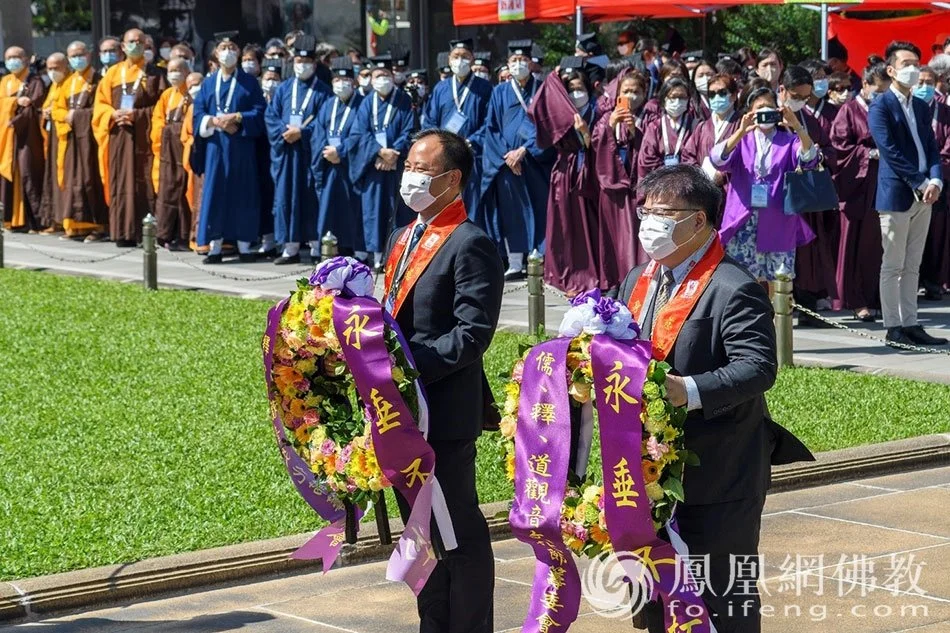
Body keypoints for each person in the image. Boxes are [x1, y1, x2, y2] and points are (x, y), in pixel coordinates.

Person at [618, 164, 813, 633]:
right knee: (659, 594)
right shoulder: (640, 279)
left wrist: (688, 390)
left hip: (718, 470)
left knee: (721, 597)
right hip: (649, 468)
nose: (649, 222)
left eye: (662, 213)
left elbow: (757, 367)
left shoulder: (732, 286)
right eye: (645, 210)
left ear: (698, 221)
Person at [382, 129, 503, 633]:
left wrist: (406, 367)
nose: (409, 177)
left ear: (452, 180)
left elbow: (471, 334)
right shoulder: (403, 235)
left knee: (459, 534)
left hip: (444, 413)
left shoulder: (470, 243)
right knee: (421, 533)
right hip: (399, 412)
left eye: (422, 170)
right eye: (407, 165)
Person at [868, 41, 948, 346]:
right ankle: (894, 326)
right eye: (906, 64)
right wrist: (919, 181)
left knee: (913, 263)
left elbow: (930, 146)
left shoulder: (920, 105)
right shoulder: (881, 105)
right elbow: (889, 151)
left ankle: (911, 322)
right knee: (894, 263)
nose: (913, 69)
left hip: (925, 194)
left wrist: (935, 180)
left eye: (917, 62)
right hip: (897, 195)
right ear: (891, 70)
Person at [711, 85, 818, 286]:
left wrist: (796, 126)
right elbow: (717, 159)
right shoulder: (742, 140)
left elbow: (809, 158)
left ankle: (778, 317)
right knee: (743, 280)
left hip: (778, 218)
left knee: (780, 280)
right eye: (759, 107)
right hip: (743, 218)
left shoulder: (788, 140)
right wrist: (741, 131)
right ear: (750, 111)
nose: (765, 111)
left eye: (769, 106)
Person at [480, 39, 554, 280]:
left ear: (531, 63)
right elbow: (491, 129)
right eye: (514, 61)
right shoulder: (499, 91)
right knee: (511, 211)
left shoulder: (542, 89)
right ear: (508, 64)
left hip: (534, 161)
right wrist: (508, 156)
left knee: (539, 207)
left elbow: (548, 124)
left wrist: (525, 150)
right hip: (507, 164)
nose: (518, 64)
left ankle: (538, 256)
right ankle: (514, 261)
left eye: (523, 60)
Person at [192, 32, 267, 264]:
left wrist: (238, 118)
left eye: (233, 47)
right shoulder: (208, 83)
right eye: (224, 47)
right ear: (216, 53)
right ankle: (214, 247)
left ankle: (244, 246)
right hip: (216, 145)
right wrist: (214, 121)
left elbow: (259, 111)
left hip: (241, 146)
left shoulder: (249, 82)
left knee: (243, 193)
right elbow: (199, 113)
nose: (228, 52)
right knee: (216, 194)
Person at [532, 56, 600, 294]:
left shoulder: (597, 111)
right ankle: (566, 274)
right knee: (564, 226)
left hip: (591, 173)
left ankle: (588, 275)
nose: (575, 94)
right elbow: (539, 104)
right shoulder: (561, 114)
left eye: (580, 89)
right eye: (570, 90)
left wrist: (586, 133)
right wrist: (555, 74)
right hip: (564, 172)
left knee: (588, 227)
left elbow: (601, 145)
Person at [778, 65, 839, 324]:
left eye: (805, 97)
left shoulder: (808, 119)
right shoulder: (768, 113)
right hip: (775, 196)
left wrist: (818, 157)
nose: (801, 101)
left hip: (803, 198)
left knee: (807, 255)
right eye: (796, 95)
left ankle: (806, 305)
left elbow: (827, 149)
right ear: (782, 90)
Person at [92, 28, 163, 246]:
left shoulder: (155, 74)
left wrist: (138, 115)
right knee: (121, 182)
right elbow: (100, 106)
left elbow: (162, 108)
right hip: (119, 137)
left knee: (144, 181)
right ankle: (122, 232)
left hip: (144, 137)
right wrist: (113, 114)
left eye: (140, 42)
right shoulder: (113, 74)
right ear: (123, 46)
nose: (136, 45)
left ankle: (148, 232)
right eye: (131, 41)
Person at [831, 58, 888, 321]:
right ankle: (855, 300)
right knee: (853, 245)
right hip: (856, 187)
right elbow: (840, 148)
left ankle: (876, 296)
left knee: (876, 245)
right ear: (864, 84)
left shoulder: (887, 109)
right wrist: (869, 154)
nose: (880, 96)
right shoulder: (849, 110)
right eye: (877, 91)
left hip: (882, 184)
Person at [265, 34, 331, 265]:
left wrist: (302, 132)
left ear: (314, 64)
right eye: (298, 62)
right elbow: (271, 116)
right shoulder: (283, 89)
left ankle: (315, 246)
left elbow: (324, 121)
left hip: (308, 153)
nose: (302, 66)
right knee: (285, 198)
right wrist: (285, 130)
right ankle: (289, 248)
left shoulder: (323, 91)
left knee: (311, 197)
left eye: (306, 63)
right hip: (286, 152)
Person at [347, 54, 415, 271]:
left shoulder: (404, 100)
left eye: (386, 75)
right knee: (374, 212)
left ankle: (399, 254)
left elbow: (410, 130)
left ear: (393, 76)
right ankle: (377, 256)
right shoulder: (367, 102)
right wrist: (378, 153)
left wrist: (394, 154)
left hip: (397, 165)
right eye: (378, 75)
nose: (382, 79)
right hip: (374, 166)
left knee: (399, 211)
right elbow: (359, 132)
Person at [424, 39, 492, 230]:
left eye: (464, 56)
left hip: (472, 155)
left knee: (471, 205)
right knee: (443, 203)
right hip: (444, 157)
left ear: (472, 59)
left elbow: (490, 122)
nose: (460, 61)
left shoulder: (484, 88)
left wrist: (472, 141)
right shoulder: (441, 88)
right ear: (449, 59)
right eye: (456, 57)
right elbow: (429, 121)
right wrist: (440, 145)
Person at [590, 68, 649, 291]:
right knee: (613, 238)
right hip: (611, 187)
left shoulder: (648, 116)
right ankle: (613, 282)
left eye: (636, 91)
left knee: (634, 237)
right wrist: (611, 126)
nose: (631, 95)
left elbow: (648, 149)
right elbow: (596, 144)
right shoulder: (606, 118)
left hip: (635, 186)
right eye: (626, 91)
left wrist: (635, 131)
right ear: (618, 94)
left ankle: (636, 280)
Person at [52, 40, 107, 242]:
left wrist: (77, 116)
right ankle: (75, 227)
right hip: (72, 139)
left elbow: (100, 109)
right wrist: (67, 116)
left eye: (80, 55)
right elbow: (57, 108)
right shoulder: (68, 82)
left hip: (91, 141)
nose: (77, 59)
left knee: (89, 180)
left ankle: (97, 226)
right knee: (71, 181)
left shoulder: (98, 80)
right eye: (73, 56)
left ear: (89, 55)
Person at [311, 58, 364, 256]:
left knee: (352, 212)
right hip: (329, 167)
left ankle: (355, 250)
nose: (341, 84)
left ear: (353, 81)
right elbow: (318, 134)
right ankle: (330, 250)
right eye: (337, 79)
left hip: (351, 169)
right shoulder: (327, 105)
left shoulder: (362, 104)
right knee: (329, 212)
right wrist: (326, 153)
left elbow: (361, 134)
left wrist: (340, 152)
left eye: (345, 79)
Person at [0, 46, 48, 232]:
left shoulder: (34, 81)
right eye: (9, 57)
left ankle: (33, 220)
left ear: (26, 59)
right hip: (6, 136)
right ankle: (10, 219)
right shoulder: (4, 82)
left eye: (16, 57)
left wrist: (16, 120)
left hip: (27, 136)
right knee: (7, 177)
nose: (13, 61)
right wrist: (14, 102)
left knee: (28, 173)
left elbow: (34, 105)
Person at [150, 57, 191, 250]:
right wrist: (163, 135)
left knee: (183, 193)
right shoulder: (167, 95)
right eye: (171, 71)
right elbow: (158, 121)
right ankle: (166, 234)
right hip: (167, 153)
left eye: (178, 70)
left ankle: (183, 236)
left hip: (183, 151)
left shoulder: (190, 94)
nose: (174, 74)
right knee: (167, 192)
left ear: (186, 73)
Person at [918, 65, 950, 299]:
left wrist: (936, 176)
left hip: (939, 182)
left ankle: (932, 280)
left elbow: (947, 148)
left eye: (929, 82)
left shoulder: (945, 112)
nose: (924, 87)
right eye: (920, 82)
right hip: (913, 181)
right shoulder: (908, 109)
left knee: (936, 235)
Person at [682, 73, 741, 192]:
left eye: (722, 93)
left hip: (732, 189)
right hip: (704, 190)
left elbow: (746, 157)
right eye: (712, 94)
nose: (717, 97)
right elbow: (687, 155)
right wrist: (699, 175)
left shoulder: (742, 125)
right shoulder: (702, 127)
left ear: (734, 95)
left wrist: (723, 174)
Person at [637, 78, 696, 179]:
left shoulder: (696, 125)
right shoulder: (654, 127)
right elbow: (647, 159)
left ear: (688, 99)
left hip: (687, 182)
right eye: (673, 97)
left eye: (682, 97)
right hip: (659, 182)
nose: (677, 101)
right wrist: (666, 174)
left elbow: (697, 156)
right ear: (664, 99)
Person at [38, 52, 70, 235]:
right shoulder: (54, 86)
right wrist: (46, 113)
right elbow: (46, 108)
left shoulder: (71, 83)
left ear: (66, 66)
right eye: (49, 68)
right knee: (52, 179)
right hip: (52, 139)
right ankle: (55, 220)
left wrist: (55, 113)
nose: (53, 72)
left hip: (66, 139)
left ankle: (66, 220)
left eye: (56, 68)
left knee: (64, 179)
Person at [181, 71, 204, 251]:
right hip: (195, 160)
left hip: (210, 158)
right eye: (190, 86)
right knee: (196, 200)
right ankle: (197, 239)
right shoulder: (190, 108)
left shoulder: (209, 105)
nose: (195, 89)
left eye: (198, 84)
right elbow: (185, 136)